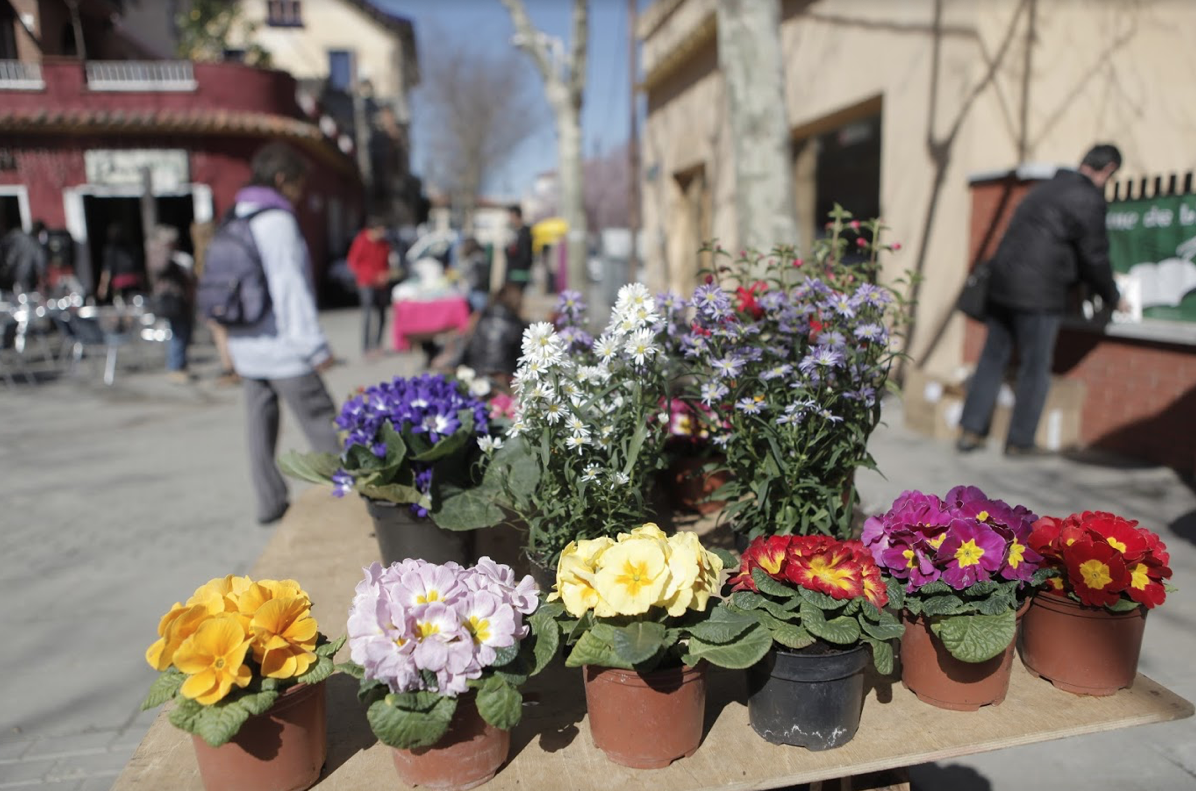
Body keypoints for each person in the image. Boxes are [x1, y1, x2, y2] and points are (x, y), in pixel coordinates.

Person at [958, 144, 1127, 457]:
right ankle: (1020, 442)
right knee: (1035, 368)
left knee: (992, 359)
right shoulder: (1087, 198)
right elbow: (1094, 255)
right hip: (1041, 294)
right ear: (1108, 170)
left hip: (1002, 286)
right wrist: (1113, 297)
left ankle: (970, 431)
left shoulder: (1043, 188)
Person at [224, 141, 341, 525]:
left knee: (259, 429)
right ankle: (354, 501)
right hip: (284, 349)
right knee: (325, 424)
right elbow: (290, 287)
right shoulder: (276, 221)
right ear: (280, 179)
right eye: (297, 186)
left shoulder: (235, 216)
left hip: (246, 346)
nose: (300, 195)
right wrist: (315, 346)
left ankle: (270, 502)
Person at [147, 225, 195, 383]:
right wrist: (167, 252)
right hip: (170, 300)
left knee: (184, 332)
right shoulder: (159, 253)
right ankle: (175, 367)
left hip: (182, 299)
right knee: (178, 333)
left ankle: (181, 366)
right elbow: (161, 268)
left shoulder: (175, 254)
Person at [459, 282, 526, 386]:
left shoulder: (479, 319)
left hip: (477, 377)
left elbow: (469, 347)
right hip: (503, 380)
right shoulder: (517, 324)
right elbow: (522, 358)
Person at [346, 216, 392, 356]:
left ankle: (378, 345)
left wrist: (386, 274)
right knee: (368, 314)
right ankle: (366, 347)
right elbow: (352, 263)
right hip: (366, 283)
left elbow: (387, 262)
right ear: (372, 230)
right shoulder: (361, 241)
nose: (382, 233)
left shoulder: (384, 244)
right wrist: (371, 276)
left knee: (382, 314)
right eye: (380, 231)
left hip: (381, 283)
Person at [97, 223, 144, 303]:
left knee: (123, 310)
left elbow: (107, 270)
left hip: (120, 284)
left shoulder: (110, 250)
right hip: (133, 282)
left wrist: (103, 287)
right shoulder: (132, 248)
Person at [0, 221, 46, 296]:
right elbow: (40, 265)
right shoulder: (35, 244)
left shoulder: (16, 236)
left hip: (11, 278)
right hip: (25, 280)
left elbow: (9, 256)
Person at [504, 205, 533, 292]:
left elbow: (526, 255)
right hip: (512, 273)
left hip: (519, 274)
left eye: (511, 217)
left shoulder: (526, 233)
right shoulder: (513, 232)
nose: (510, 220)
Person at [459, 237, 490, 312]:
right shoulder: (479, 256)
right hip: (476, 291)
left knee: (477, 314)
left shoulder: (477, 258)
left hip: (477, 291)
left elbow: (467, 271)